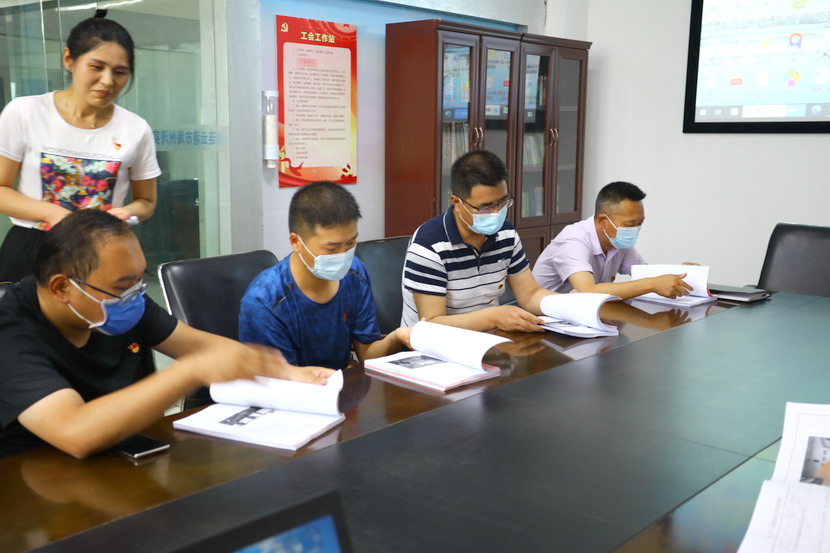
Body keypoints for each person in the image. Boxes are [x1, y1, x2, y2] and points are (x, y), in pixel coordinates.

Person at [0, 210, 332, 459]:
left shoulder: (123, 302)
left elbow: (202, 347)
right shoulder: (11, 332)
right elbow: (75, 433)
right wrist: (189, 372)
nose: (135, 295)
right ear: (61, 287)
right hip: (41, 484)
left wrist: (289, 373)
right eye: (122, 285)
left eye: (138, 281)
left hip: (134, 456)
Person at [0, 11, 159, 283]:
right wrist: (54, 214)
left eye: (120, 72)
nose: (108, 81)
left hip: (104, 251)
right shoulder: (25, 112)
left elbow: (147, 201)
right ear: (68, 60)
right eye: (96, 67)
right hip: (32, 249)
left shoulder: (136, 128)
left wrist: (127, 213)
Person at [239, 181, 410, 370]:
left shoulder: (354, 274)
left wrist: (396, 337)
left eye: (351, 243)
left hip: (341, 383)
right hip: (296, 386)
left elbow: (367, 355)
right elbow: (283, 380)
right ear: (296, 242)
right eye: (332, 248)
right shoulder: (266, 300)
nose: (343, 256)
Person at [401, 150, 557, 332]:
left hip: (489, 338)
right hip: (435, 345)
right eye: (485, 207)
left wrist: (568, 304)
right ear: (457, 203)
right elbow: (432, 324)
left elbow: (530, 294)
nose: (496, 212)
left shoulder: (506, 233)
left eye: (503, 202)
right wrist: (493, 317)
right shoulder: (428, 245)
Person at [532, 181, 693, 300]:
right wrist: (652, 284)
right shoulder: (573, 240)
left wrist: (682, 274)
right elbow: (587, 291)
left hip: (583, 314)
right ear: (602, 220)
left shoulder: (618, 241)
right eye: (630, 225)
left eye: (640, 223)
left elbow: (645, 273)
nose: (635, 229)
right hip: (543, 320)